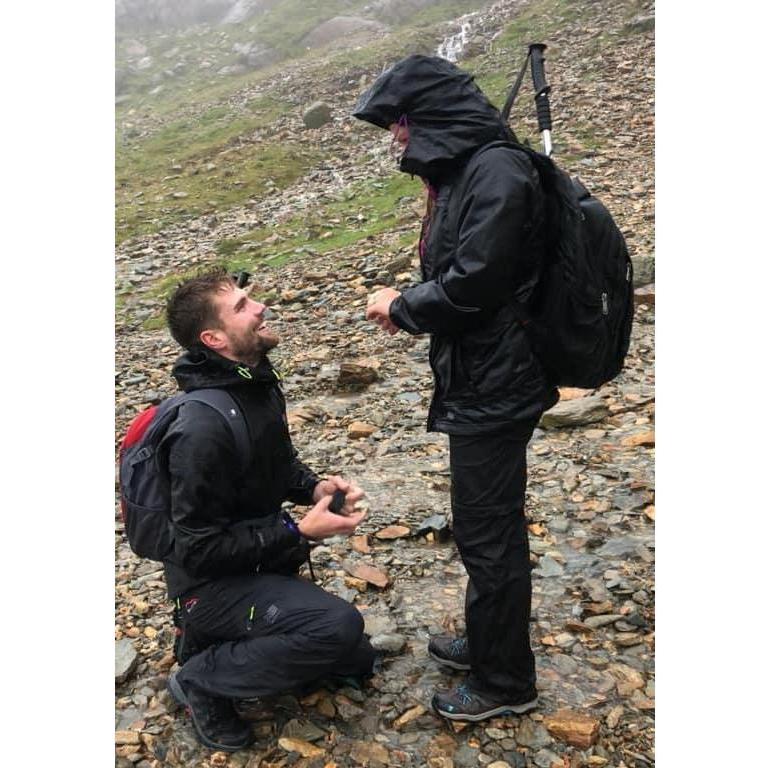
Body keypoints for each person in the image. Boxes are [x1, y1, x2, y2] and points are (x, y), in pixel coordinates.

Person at [354, 54, 559, 722]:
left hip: (499, 382)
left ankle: (505, 682)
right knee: (484, 524)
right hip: (484, 375)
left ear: (430, 115)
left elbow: (474, 283)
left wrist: (401, 306)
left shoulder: (496, 170)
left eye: (400, 122)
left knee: (488, 531)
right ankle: (488, 642)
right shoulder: (470, 171)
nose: (396, 137)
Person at [160, 267, 376, 752]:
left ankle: (214, 644)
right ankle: (199, 679)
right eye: (241, 306)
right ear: (213, 338)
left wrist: (316, 487)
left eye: (249, 298)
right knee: (337, 628)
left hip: (253, 562)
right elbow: (198, 550)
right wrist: (300, 531)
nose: (259, 307)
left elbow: (278, 466)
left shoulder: (255, 384)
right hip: (206, 585)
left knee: (356, 658)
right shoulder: (201, 429)